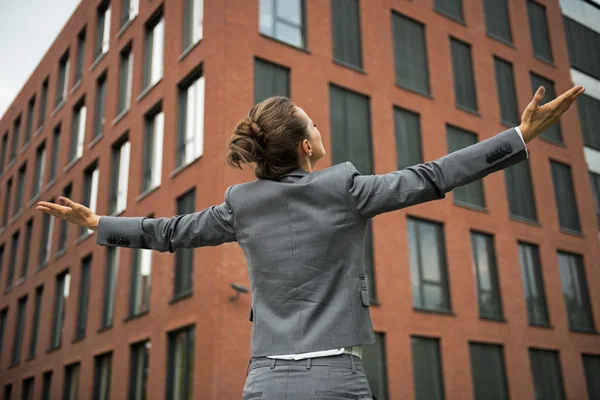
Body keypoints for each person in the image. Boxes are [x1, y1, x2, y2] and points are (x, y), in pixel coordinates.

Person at [37, 85, 585, 399]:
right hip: (335, 379)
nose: (321, 128)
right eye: (314, 125)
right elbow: (433, 175)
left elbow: (170, 233)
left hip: (265, 382)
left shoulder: (241, 205)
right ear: (305, 145)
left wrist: (99, 224)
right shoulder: (345, 189)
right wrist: (519, 136)